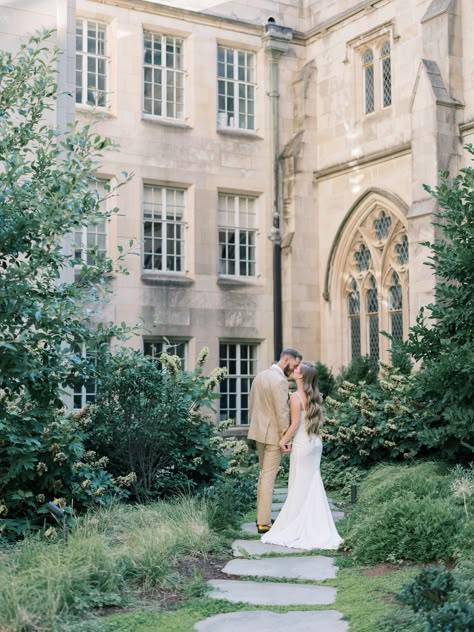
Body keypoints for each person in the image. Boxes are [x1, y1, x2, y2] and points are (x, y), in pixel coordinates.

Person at [261, 361, 343, 550]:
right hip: (315, 443)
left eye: (296, 369)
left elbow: (295, 424)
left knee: (298, 484)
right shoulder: (314, 396)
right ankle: (316, 525)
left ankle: (297, 524)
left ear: (300, 376)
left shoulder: (296, 397)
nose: (293, 370)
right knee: (312, 483)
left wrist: (283, 441)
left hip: (302, 444)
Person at [248, 349, 302, 534]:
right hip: (273, 437)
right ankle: (263, 522)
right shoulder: (280, 381)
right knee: (268, 478)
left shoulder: (260, 376)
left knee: (263, 476)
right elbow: (282, 412)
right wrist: (286, 438)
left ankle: (261, 518)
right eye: (294, 365)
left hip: (258, 432)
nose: (293, 369)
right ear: (286, 359)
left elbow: (253, 406)